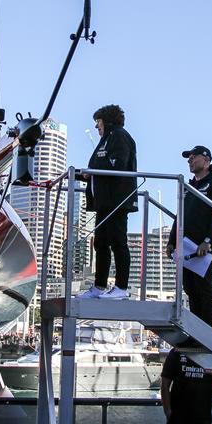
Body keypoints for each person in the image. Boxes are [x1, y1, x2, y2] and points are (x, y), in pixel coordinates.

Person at [78, 104, 138, 300]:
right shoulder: (105, 140)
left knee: (118, 243)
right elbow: (100, 167)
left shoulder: (119, 136)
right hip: (103, 203)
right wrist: (83, 174)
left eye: (98, 122)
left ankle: (121, 287)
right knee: (101, 244)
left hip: (117, 201)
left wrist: (94, 170)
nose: (97, 127)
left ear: (107, 121)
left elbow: (117, 163)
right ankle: (99, 286)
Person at [165, 146, 212, 331]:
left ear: (206, 160)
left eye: (193, 157)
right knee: (190, 288)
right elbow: (180, 215)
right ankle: (197, 330)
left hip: (202, 246)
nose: (190, 161)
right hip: (185, 245)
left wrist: (209, 240)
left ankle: (210, 330)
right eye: (188, 158)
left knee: (203, 288)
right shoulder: (189, 187)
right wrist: (171, 240)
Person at [161, 347, 212, 424]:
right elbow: (164, 385)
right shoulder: (177, 352)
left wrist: (168, 412)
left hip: (201, 417)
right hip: (179, 416)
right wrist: (167, 412)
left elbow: (165, 385)